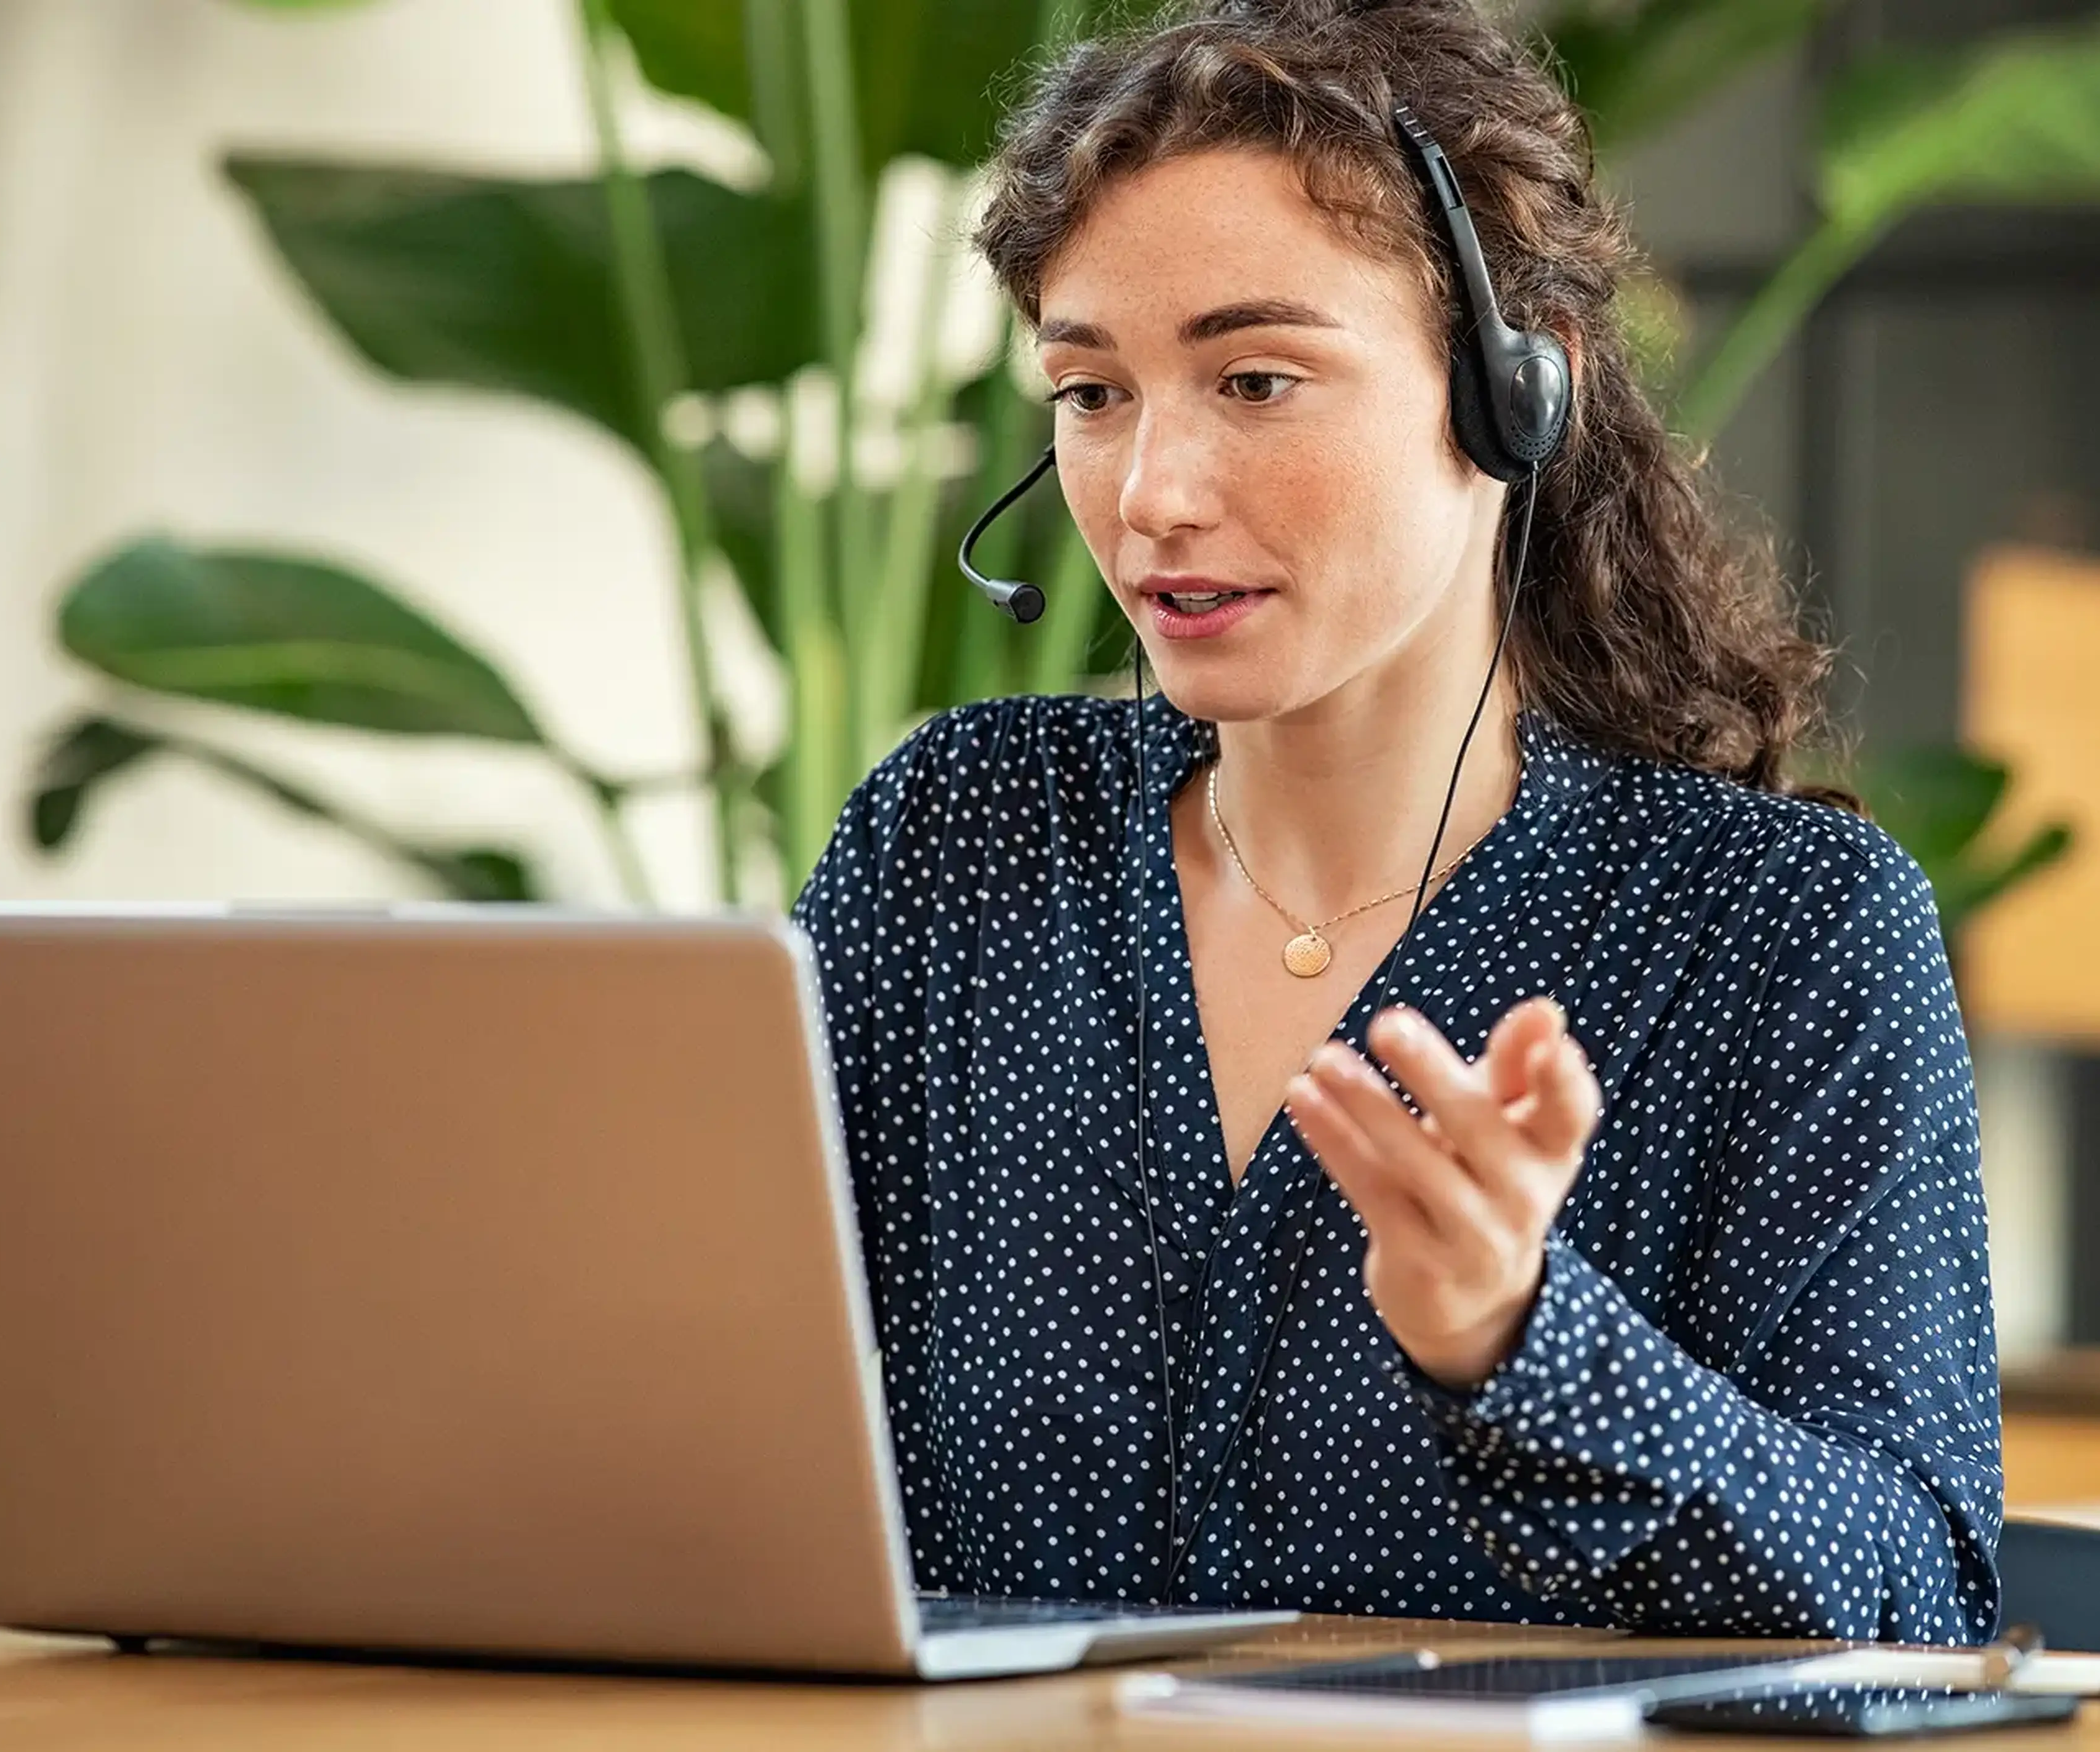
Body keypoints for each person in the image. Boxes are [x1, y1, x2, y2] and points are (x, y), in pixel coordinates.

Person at [792, 0, 2000, 1642]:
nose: (1151, 493)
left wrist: (1518, 1339)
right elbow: (728, 1421)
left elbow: (1922, 1601)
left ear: (1517, 391)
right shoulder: (955, 842)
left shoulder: (1775, 929)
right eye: (1092, 392)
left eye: (1257, 379)